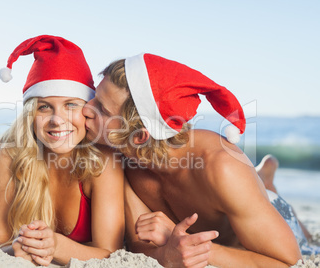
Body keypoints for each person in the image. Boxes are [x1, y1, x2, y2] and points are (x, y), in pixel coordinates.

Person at [82, 53, 307, 267]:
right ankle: (263, 178)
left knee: (278, 208)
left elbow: (287, 262)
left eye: (101, 108)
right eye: (94, 98)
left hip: (267, 224)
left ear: (139, 136)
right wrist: (166, 253)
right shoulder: (124, 159)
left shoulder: (222, 167)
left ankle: (266, 181)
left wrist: (185, 242)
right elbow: (139, 244)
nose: (86, 108)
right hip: (237, 203)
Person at [0, 35, 124, 266]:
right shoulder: (9, 156)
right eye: (44, 107)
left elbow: (110, 252)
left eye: (71, 105)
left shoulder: (102, 162)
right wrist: (17, 250)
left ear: (88, 109)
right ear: (31, 114)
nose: (56, 120)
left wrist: (57, 246)